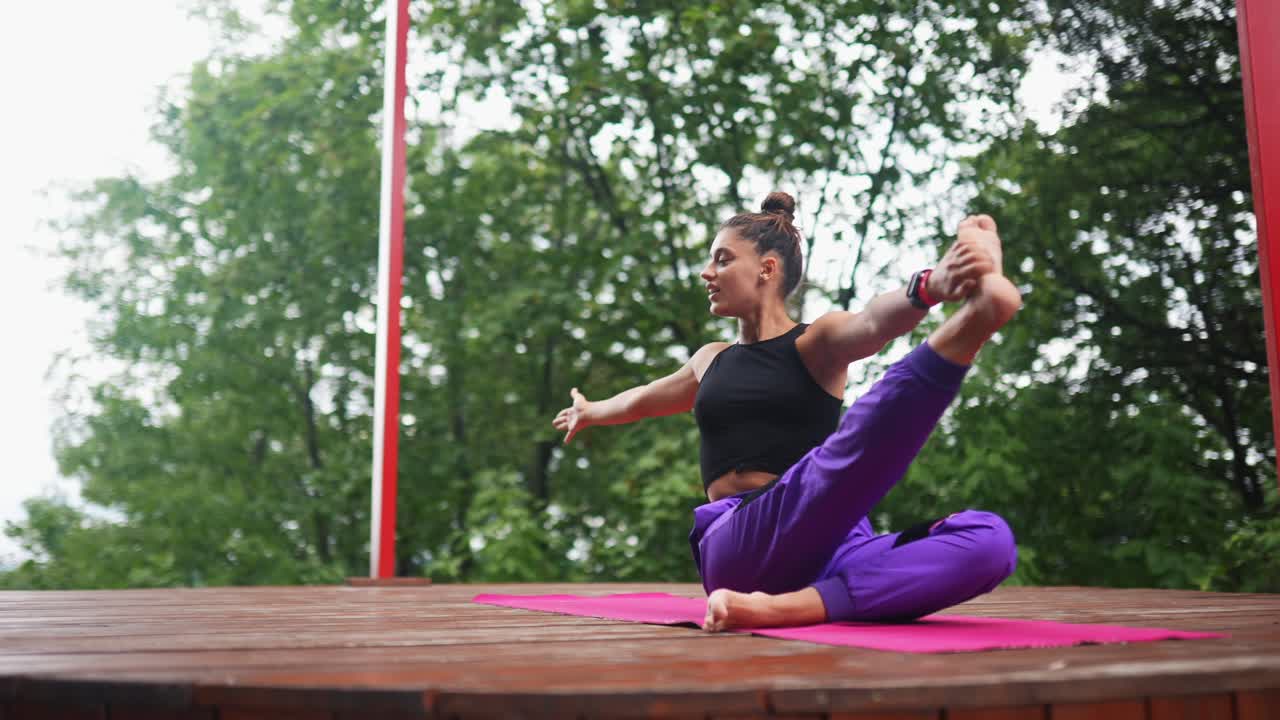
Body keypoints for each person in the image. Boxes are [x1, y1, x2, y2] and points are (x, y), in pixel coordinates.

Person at [552, 191, 1022, 631]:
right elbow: (640, 399)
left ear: (767, 268)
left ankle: (792, 609)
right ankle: (972, 326)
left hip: (838, 547)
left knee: (990, 540)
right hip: (742, 542)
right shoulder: (710, 359)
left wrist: (932, 285)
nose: (706, 273)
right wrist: (589, 411)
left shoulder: (816, 342)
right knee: (823, 469)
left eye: (722, 259)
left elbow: (873, 322)